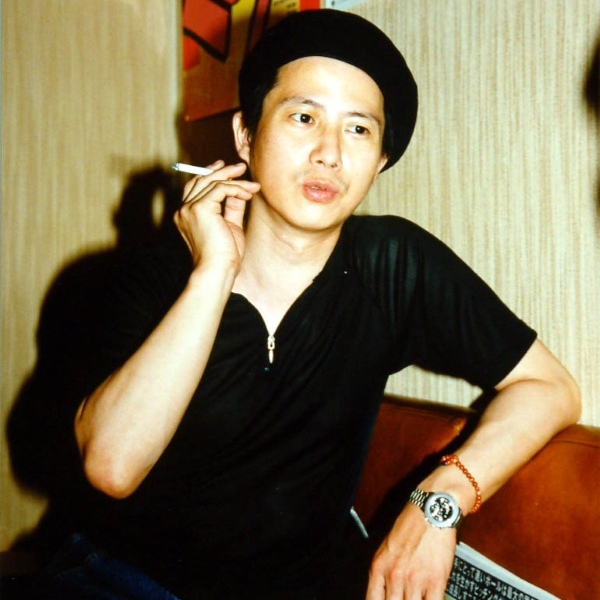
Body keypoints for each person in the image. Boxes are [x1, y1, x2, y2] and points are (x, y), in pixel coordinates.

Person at [30, 9, 580, 600]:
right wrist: (213, 273)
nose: (329, 153)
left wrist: (441, 499)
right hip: (126, 581)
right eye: (303, 117)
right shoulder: (149, 275)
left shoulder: (392, 266)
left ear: (381, 160)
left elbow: (550, 388)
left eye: (359, 129)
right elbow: (112, 467)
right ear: (246, 135)